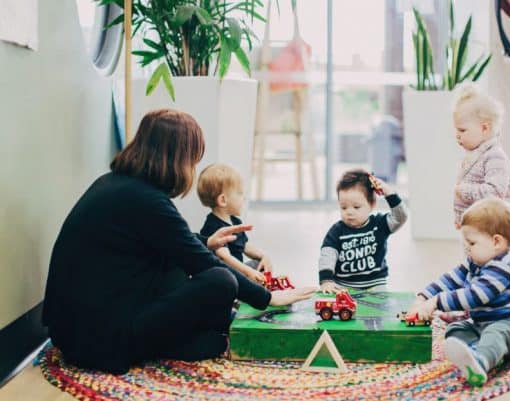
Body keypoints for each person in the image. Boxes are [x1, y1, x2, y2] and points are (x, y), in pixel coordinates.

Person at [42, 109, 315, 374]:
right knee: (221, 282)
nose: (193, 169)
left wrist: (205, 241)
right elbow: (206, 266)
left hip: (76, 332)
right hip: (102, 342)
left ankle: (187, 337)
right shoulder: (147, 200)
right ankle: (179, 341)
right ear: (177, 158)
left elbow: (169, 243)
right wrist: (268, 298)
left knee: (180, 272)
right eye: (193, 161)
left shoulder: (117, 185)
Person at [409, 198, 510, 387]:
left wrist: (436, 302)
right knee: (457, 328)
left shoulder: (502, 267)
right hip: (486, 326)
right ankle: (475, 351)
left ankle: (480, 361)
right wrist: (424, 296)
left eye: (471, 243)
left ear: (496, 242)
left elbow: (474, 295)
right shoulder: (476, 261)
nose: (467, 248)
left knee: (497, 331)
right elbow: (451, 279)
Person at [318, 169, 408, 293]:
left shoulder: (379, 224)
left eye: (356, 207)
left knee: (380, 309)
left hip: (376, 284)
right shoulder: (337, 231)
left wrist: (390, 194)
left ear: (371, 204)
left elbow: (400, 217)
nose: (349, 212)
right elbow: (327, 255)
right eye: (343, 207)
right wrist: (326, 280)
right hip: (344, 285)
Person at [197, 163, 271, 284]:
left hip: (238, 272)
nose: (244, 197)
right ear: (223, 200)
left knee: (259, 263)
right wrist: (248, 272)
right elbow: (225, 257)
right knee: (228, 277)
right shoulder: (212, 226)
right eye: (240, 193)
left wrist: (264, 255)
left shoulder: (235, 221)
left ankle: (255, 285)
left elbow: (244, 246)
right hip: (224, 275)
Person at [453, 83, 510, 228]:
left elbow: (495, 192)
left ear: (484, 128)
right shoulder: (476, 155)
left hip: (491, 228)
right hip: (477, 228)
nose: (457, 136)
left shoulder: (494, 157)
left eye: (462, 130)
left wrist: (463, 190)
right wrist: (462, 219)